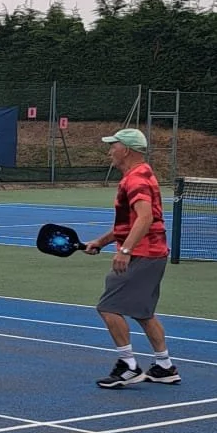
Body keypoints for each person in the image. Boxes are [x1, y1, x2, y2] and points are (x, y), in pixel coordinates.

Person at [83, 127, 179, 388]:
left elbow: (145, 218)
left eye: (113, 146)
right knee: (143, 312)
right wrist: (101, 242)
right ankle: (164, 366)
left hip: (142, 254)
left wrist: (125, 251)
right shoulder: (142, 174)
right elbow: (130, 222)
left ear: (126, 149)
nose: (109, 151)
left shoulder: (135, 179)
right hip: (154, 253)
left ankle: (128, 366)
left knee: (108, 307)